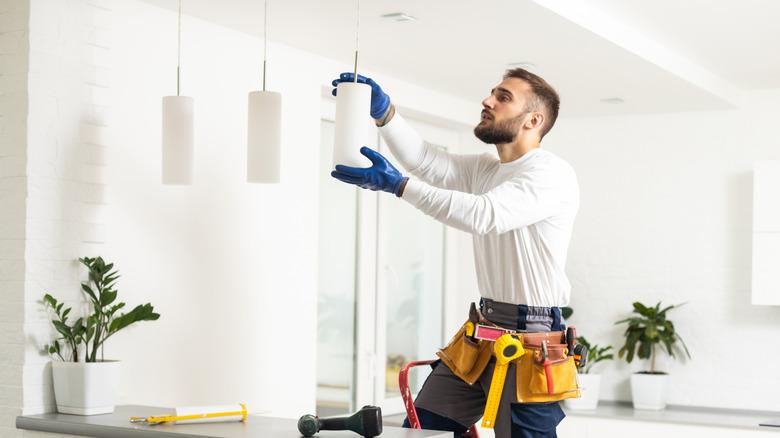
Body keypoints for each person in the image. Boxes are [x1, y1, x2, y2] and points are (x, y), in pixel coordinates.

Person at [330, 68, 580, 438]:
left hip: (532, 341)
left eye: (503, 97)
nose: (488, 100)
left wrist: (398, 186)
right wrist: (384, 114)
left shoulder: (550, 173)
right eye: (492, 92)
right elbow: (428, 162)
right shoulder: (487, 169)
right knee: (423, 428)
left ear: (534, 120)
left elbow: (485, 215)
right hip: (484, 331)